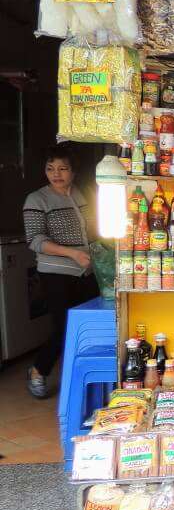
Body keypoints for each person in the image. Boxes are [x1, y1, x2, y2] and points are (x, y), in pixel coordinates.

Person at [22, 145, 98, 398]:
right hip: (55, 272)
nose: (56, 174)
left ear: (73, 172)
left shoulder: (81, 194)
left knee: (87, 326)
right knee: (64, 327)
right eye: (51, 168)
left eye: (63, 168)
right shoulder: (37, 199)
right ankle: (39, 370)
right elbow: (35, 239)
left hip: (86, 271)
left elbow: (95, 229)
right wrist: (72, 253)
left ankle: (82, 378)